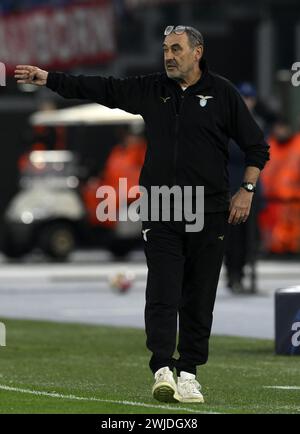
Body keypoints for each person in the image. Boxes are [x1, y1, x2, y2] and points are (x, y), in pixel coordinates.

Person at [15, 25, 270, 404]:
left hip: (210, 209)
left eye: (177, 49)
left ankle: (189, 372)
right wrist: (49, 78)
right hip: (162, 206)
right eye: (166, 49)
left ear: (197, 52)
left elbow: (256, 148)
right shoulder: (152, 89)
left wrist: (246, 191)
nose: (168, 56)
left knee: (200, 296)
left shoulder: (222, 93)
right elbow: (102, 87)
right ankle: (163, 368)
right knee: (163, 289)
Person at [225, 83, 266, 293]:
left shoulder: (256, 123)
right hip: (233, 184)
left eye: (250, 98)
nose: (247, 102)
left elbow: (260, 159)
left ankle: (244, 276)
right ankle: (234, 276)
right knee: (234, 237)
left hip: (252, 184)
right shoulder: (228, 122)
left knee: (252, 237)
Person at [259, 117, 300, 254]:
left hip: (293, 200)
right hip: (270, 199)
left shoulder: (297, 144)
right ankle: (273, 249)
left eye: (284, 128)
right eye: (279, 127)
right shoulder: (269, 145)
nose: (281, 131)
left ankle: (291, 249)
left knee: (291, 232)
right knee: (271, 232)